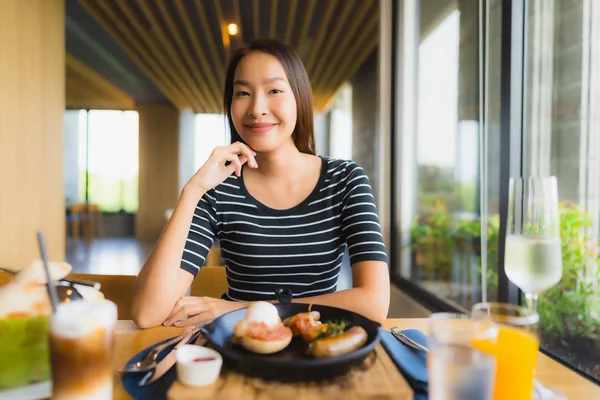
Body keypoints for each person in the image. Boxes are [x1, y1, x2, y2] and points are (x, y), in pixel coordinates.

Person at [132, 38, 390, 329]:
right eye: (242, 93)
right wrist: (192, 191)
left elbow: (374, 303)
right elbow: (147, 313)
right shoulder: (218, 190)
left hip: (316, 349)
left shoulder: (345, 181)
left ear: (299, 99)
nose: (256, 108)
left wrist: (241, 309)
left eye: (275, 90)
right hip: (237, 351)